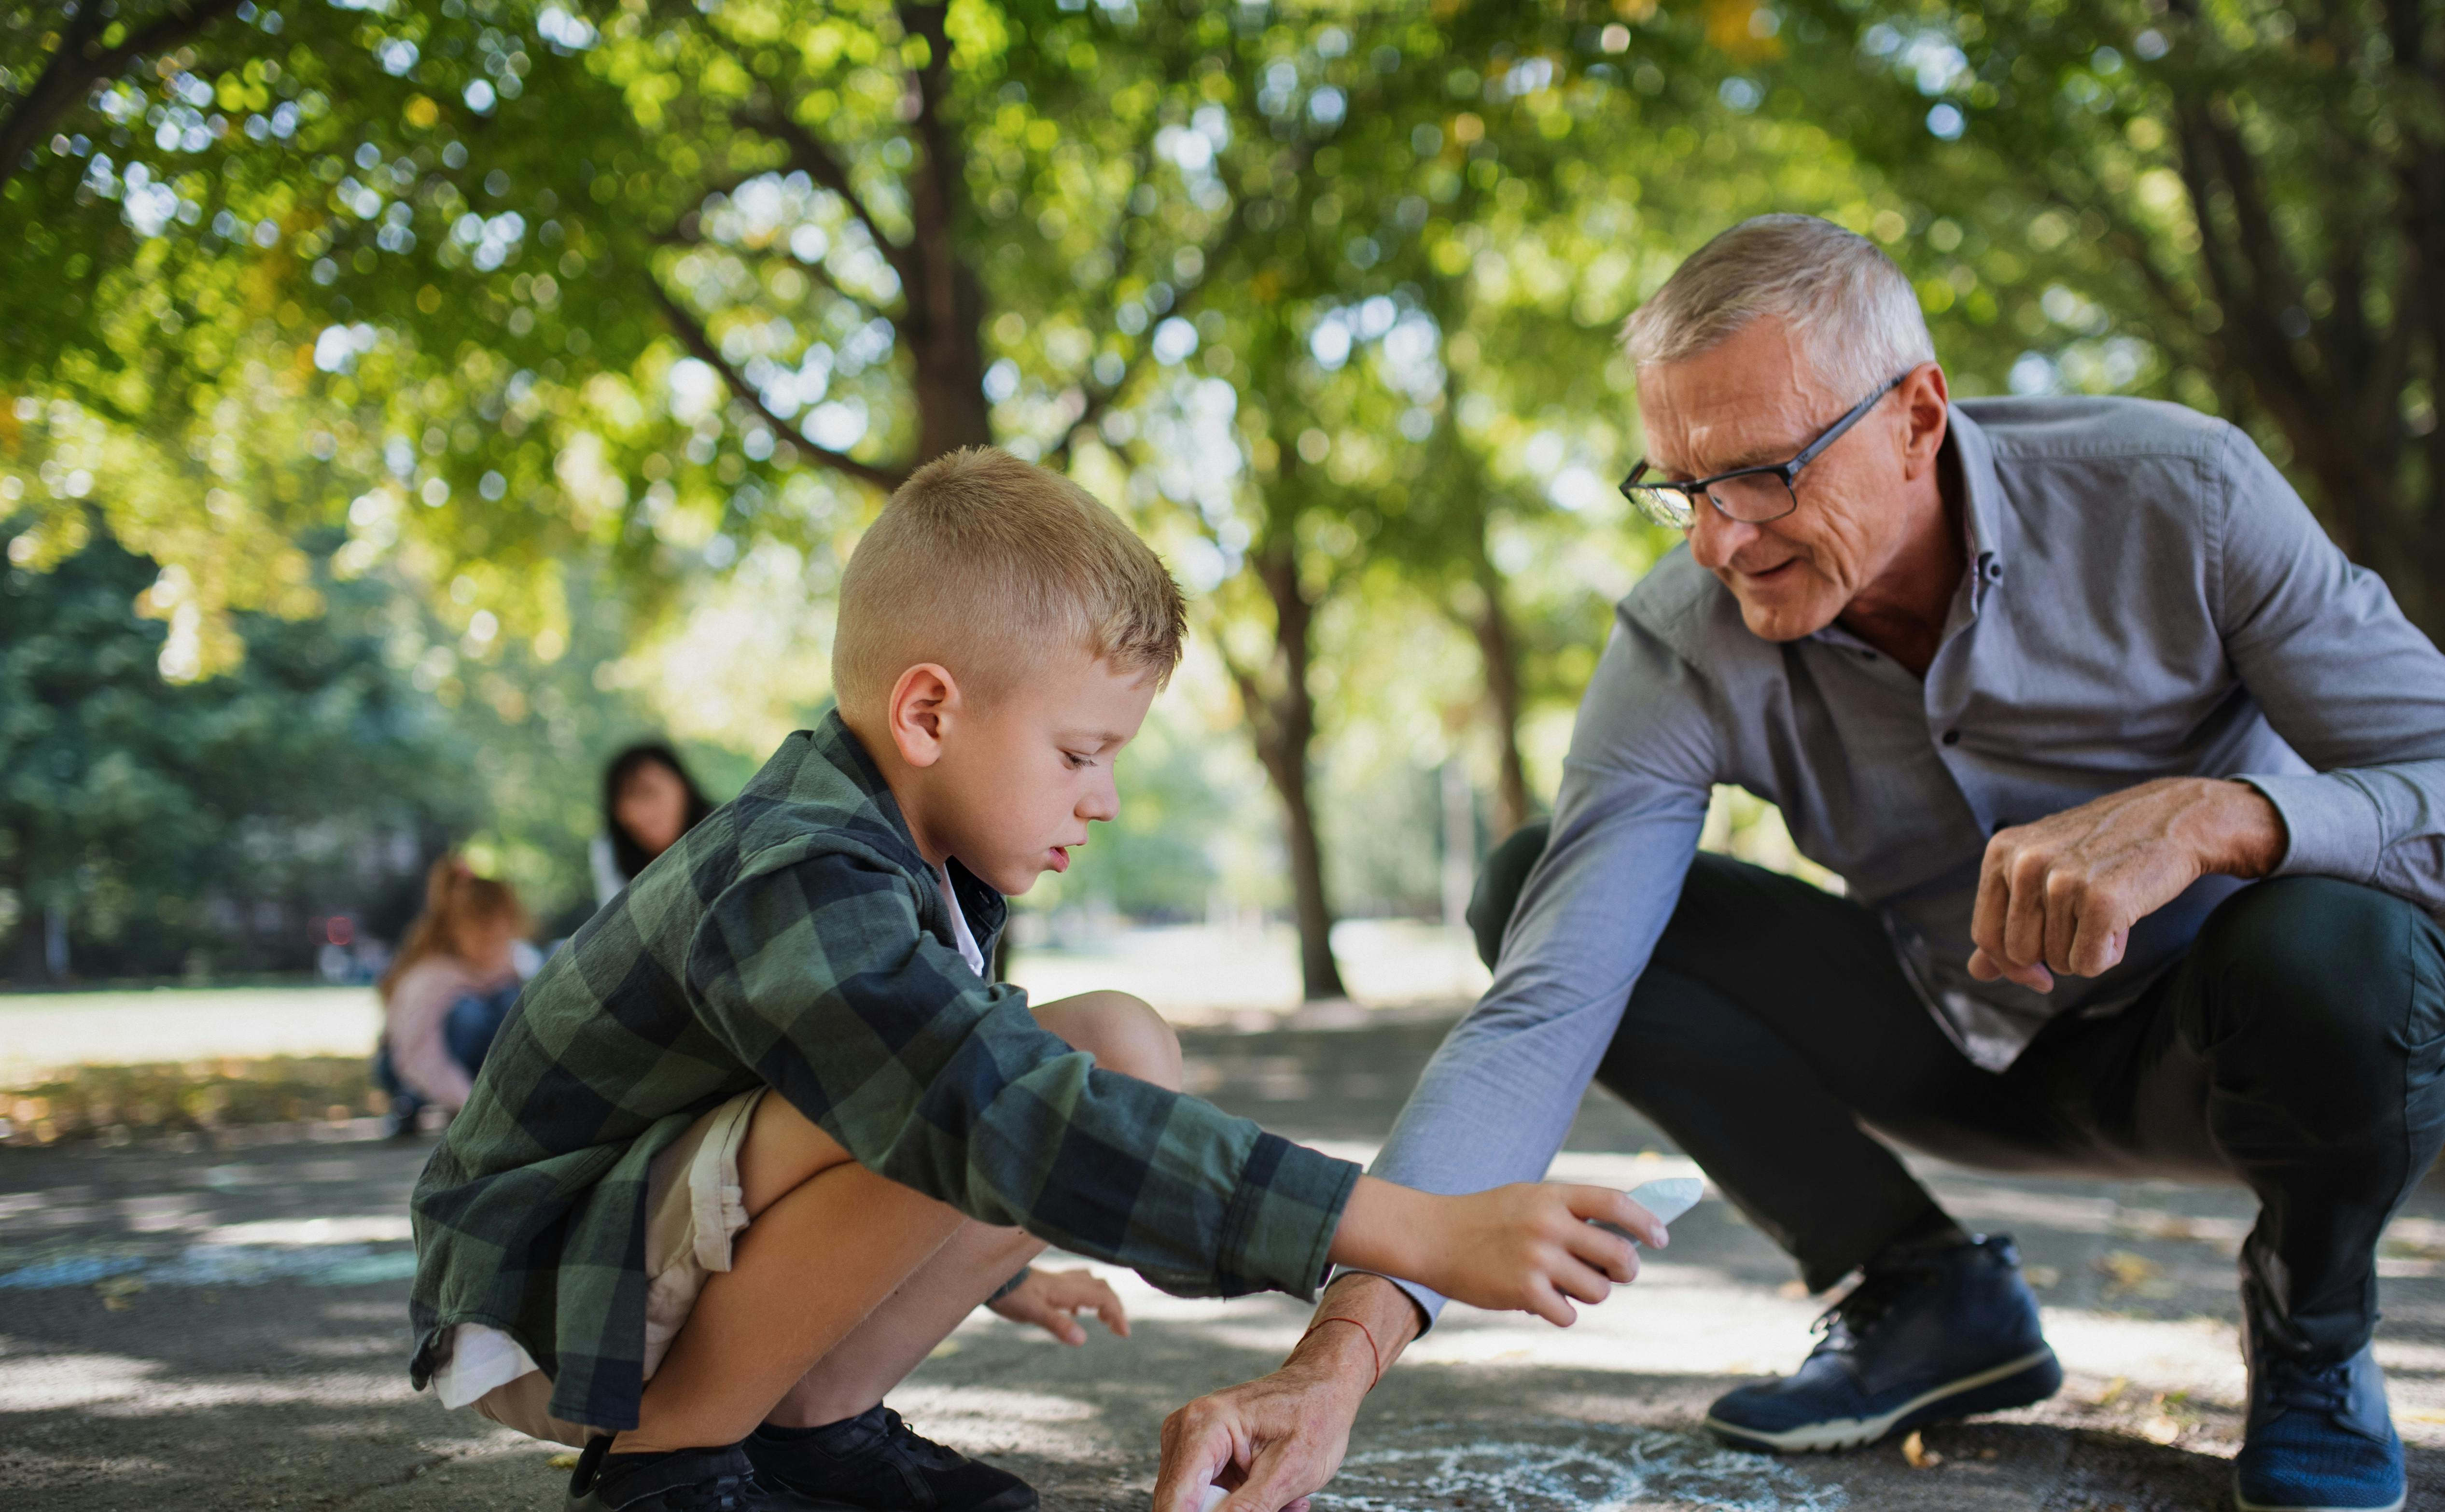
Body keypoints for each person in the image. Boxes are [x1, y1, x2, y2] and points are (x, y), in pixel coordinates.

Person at [1153, 215, 2445, 1512]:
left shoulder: (2183, 499)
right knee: (1523, 879)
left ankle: (2314, 1322)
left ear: (1915, 415)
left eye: (1767, 475)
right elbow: (1549, 1000)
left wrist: (2218, 816)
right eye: (1682, 486)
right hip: (1948, 1034)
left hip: (2224, 1041)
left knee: (2351, 942)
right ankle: (1920, 1294)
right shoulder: (1682, 635)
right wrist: (1335, 1358)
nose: (1722, 538)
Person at [406, 448, 1668, 1512]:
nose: (1105, 797)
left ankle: (809, 1432)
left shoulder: (921, 862)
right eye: (1079, 752)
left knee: (1113, 1038)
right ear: (928, 715)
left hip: (639, 1252)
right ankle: (670, 1462)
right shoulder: (798, 873)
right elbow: (979, 1107)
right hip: (551, 1295)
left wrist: (1002, 1268)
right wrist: (1415, 1227)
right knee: (1010, 1086)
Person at [374, 856, 535, 1136]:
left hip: (461, 1068)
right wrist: (472, 1106)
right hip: (409, 1066)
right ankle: (410, 1106)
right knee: (469, 1014)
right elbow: (417, 1055)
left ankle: (473, 1095)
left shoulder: (508, 965)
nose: (495, 948)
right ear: (454, 931)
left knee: (513, 1002)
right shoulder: (431, 975)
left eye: (502, 938)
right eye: (484, 939)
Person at [592, 742, 716, 907]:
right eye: (626, 801)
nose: (638, 814)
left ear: (683, 788)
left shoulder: (724, 830)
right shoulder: (610, 849)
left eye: (649, 793)